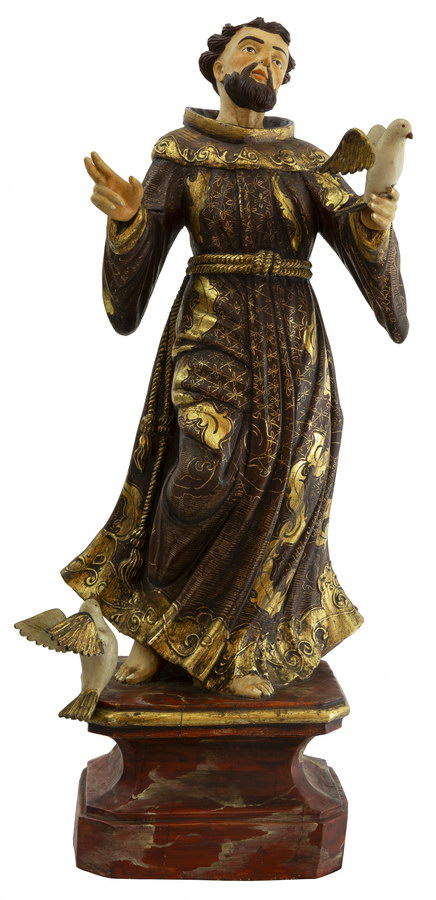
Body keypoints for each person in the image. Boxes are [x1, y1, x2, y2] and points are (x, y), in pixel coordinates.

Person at [61, 17, 408, 698]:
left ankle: (253, 643)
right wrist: (129, 223)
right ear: (217, 66)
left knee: (289, 482)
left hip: (293, 341)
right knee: (198, 473)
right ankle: (155, 632)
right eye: (251, 49)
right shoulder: (182, 152)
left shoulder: (306, 160)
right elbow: (132, 282)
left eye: (278, 58)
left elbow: (355, 234)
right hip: (211, 327)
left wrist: (375, 224)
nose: (265, 63)